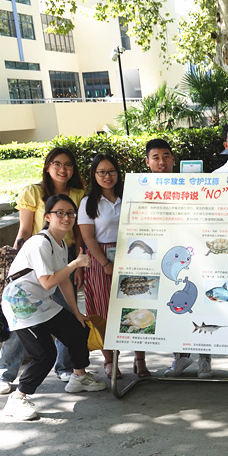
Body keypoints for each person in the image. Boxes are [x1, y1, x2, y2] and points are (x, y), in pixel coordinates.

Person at [1, 194, 106, 420]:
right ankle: (18, 398)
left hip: (42, 301)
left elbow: (64, 281)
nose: (66, 218)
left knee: (78, 329)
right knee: (45, 356)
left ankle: (78, 377)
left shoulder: (60, 243)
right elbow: (48, 282)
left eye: (70, 213)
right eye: (60, 213)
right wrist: (75, 264)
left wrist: (76, 312)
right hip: (21, 304)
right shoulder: (40, 243)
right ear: (48, 217)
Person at [0, 148, 85, 394]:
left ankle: (68, 370)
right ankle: (4, 373)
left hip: (61, 258)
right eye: (57, 164)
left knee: (69, 321)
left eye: (68, 164)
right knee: (23, 329)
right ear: (47, 166)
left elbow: (77, 233)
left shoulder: (77, 194)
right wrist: (14, 262)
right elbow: (24, 230)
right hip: (34, 267)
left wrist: (76, 264)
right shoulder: (33, 192)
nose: (63, 169)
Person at [143, 139, 213, 379]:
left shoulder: (191, 184)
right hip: (161, 259)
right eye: (156, 157)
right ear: (148, 162)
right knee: (171, 307)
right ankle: (180, 356)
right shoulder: (141, 189)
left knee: (198, 304)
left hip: (192, 256)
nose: (161, 162)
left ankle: (205, 359)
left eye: (166, 156)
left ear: (173, 159)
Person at [79, 153, 150, 379]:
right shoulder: (87, 203)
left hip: (131, 255)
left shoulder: (129, 196)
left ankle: (140, 359)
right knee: (103, 310)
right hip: (100, 260)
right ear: (94, 175)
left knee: (136, 305)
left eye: (111, 171)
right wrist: (105, 263)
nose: (107, 176)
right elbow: (88, 237)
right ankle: (110, 360)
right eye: (101, 172)